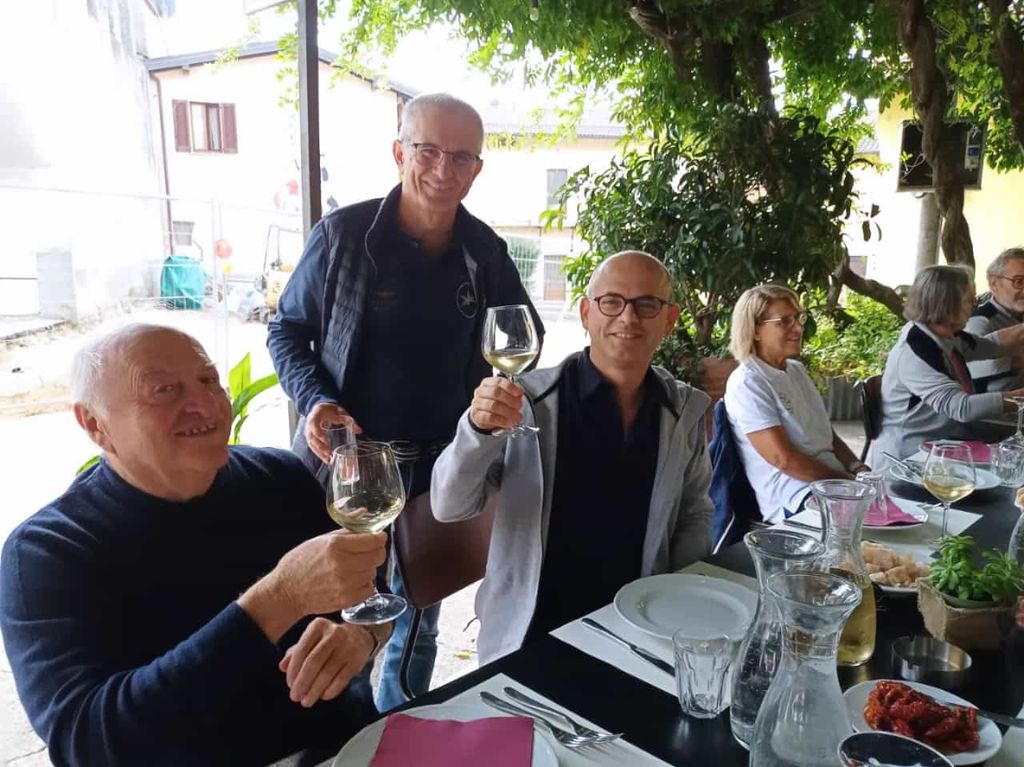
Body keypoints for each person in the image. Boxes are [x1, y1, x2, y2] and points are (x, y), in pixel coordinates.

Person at [0, 325, 389, 767]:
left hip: (349, 749)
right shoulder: (47, 552)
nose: (206, 406)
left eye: (209, 380)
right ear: (95, 424)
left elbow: (374, 594)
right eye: (164, 390)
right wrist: (278, 598)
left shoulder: (280, 477)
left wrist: (363, 635)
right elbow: (87, 745)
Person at [267, 92, 543, 709]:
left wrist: (493, 395)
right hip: (349, 460)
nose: (444, 169)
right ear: (399, 152)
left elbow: (524, 334)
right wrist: (313, 399)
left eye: (462, 156)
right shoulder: (343, 236)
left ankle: (402, 721)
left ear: (477, 168)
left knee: (416, 620)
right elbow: (286, 331)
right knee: (337, 610)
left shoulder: (484, 252)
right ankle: (337, 726)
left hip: (438, 468)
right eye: (428, 150)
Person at [430, 251, 713, 663]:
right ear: (586, 313)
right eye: (611, 301)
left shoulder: (684, 411)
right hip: (532, 633)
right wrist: (478, 430)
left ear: (669, 320)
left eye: (647, 304)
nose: (628, 318)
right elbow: (449, 505)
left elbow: (694, 511)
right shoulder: (526, 402)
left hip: (641, 629)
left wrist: (680, 598)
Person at [723, 285, 866, 522]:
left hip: (831, 485)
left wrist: (857, 467)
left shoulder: (796, 370)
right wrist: (847, 484)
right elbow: (784, 460)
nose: (799, 328)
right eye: (784, 321)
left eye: (798, 318)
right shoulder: (748, 383)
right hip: (795, 496)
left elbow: (826, 434)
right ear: (755, 330)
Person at [870, 265, 1024, 464]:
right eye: (970, 300)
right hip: (908, 460)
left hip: (944, 442)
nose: (974, 306)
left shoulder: (943, 335)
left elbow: (992, 345)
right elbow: (962, 408)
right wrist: (1019, 398)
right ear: (947, 303)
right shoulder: (916, 350)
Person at [966, 246, 1024, 391]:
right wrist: (1014, 362)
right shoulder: (980, 321)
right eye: (1019, 282)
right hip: (996, 404)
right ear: (994, 283)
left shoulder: (1018, 315)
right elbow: (966, 368)